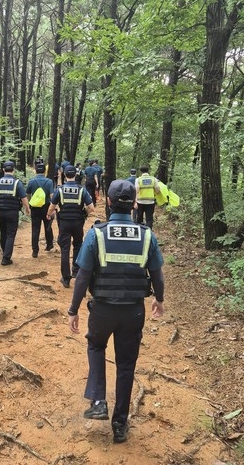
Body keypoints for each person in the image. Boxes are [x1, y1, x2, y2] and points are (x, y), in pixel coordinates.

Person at [67, 179, 165, 443]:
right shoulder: (146, 235)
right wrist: (160, 299)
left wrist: (73, 309)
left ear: (108, 202)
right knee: (126, 363)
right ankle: (120, 424)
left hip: (102, 309)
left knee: (96, 346)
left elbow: (84, 275)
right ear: (133, 204)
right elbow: (156, 272)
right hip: (133, 311)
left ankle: (98, 400)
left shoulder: (97, 234)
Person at [46, 165, 94, 288]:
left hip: (64, 223)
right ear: (75, 175)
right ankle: (76, 272)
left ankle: (66, 278)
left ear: (65, 175)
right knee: (78, 246)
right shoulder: (82, 190)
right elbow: (91, 208)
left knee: (65, 249)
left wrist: (49, 214)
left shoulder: (60, 189)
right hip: (78, 222)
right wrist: (84, 214)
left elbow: (52, 206)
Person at [0, 160, 30, 265]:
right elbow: (23, 197)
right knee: (10, 234)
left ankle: (5, 253)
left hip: (0, 212)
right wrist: (27, 208)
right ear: (13, 170)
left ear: (3, 170)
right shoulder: (17, 183)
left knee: (3, 233)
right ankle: (6, 258)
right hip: (12, 212)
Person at [26, 163, 54, 257]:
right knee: (48, 226)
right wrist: (53, 208)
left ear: (36, 171)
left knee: (35, 229)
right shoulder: (49, 181)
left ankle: (35, 251)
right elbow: (51, 196)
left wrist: (30, 202)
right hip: (46, 207)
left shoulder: (32, 181)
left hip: (35, 207)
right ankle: (49, 245)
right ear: (44, 171)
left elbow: (28, 194)